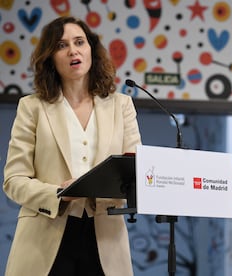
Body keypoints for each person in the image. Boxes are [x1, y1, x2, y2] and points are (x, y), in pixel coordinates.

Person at [3, 16, 141, 276]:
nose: (73, 50)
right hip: (44, 239)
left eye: (79, 42)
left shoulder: (121, 105)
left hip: (105, 240)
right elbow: (14, 180)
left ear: (91, 49)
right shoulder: (31, 107)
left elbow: (134, 172)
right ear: (50, 58)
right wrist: (58, 193)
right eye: (61, 45)